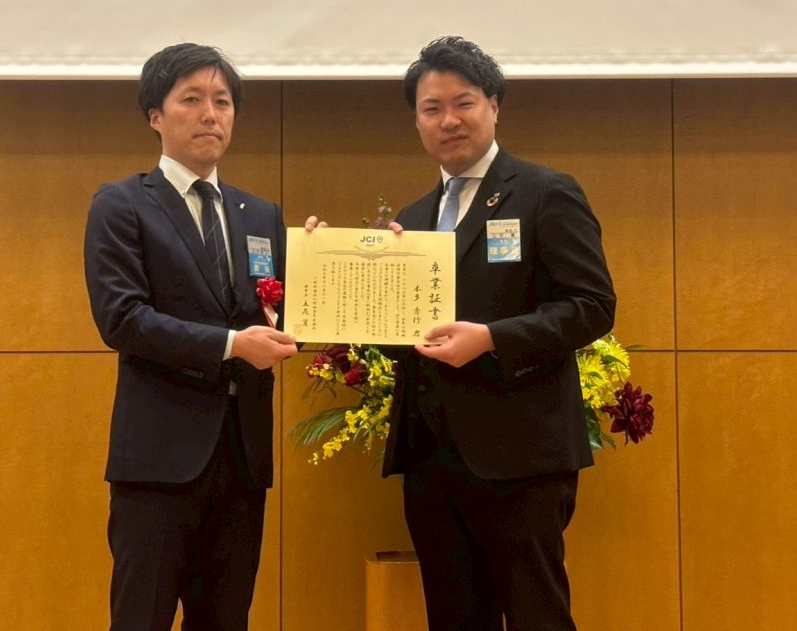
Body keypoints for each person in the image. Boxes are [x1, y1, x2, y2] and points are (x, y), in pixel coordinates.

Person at [308, 36, 616, 630]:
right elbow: (398, 334)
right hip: (432, 457)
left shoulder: (545, 192)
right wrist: (326, 262)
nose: (448, 120)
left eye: (463, 103)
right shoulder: (413, 218)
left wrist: (492, 337)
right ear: (417, 121)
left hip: (521, 457)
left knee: (537, 616)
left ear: (494, 106)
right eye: (432, 108)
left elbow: (593, 306)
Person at [84, 43, 298, 631]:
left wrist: (326, 258)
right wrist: (231, 345)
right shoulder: (123, 204)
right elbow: (122, 318)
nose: (211, 114)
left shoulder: (261, 214)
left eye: (223, 102)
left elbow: (283, 315)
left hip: (242, 458)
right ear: (155, 115)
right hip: (159, 461)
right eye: (192, 99)